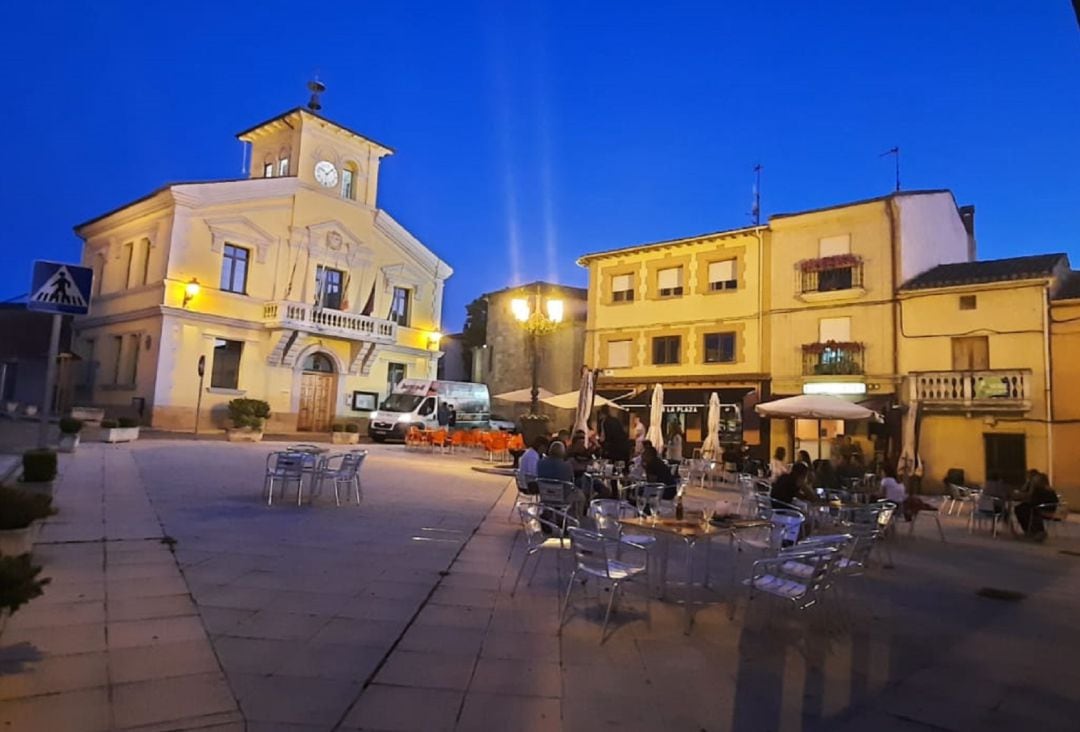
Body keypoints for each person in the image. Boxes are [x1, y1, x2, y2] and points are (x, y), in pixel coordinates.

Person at [537, 441, 587, 516]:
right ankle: (575, 519)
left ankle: (552, 514)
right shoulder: (567, 466)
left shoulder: (540, 463)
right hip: (562, 498)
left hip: (545, 497)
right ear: (563, 453)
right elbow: (571, 481)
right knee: (581, 496)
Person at [1014, 471, 1057, 540]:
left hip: (1041, 510)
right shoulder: (1050, 490)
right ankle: (1034, 531)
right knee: (1023, 508)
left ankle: (1031, 530)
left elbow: (1032, 500)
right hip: (1051, 510)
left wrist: (1030, 489)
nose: (1033, 481)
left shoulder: (1039, 490)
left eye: (1035, 480)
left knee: (1020, 509)